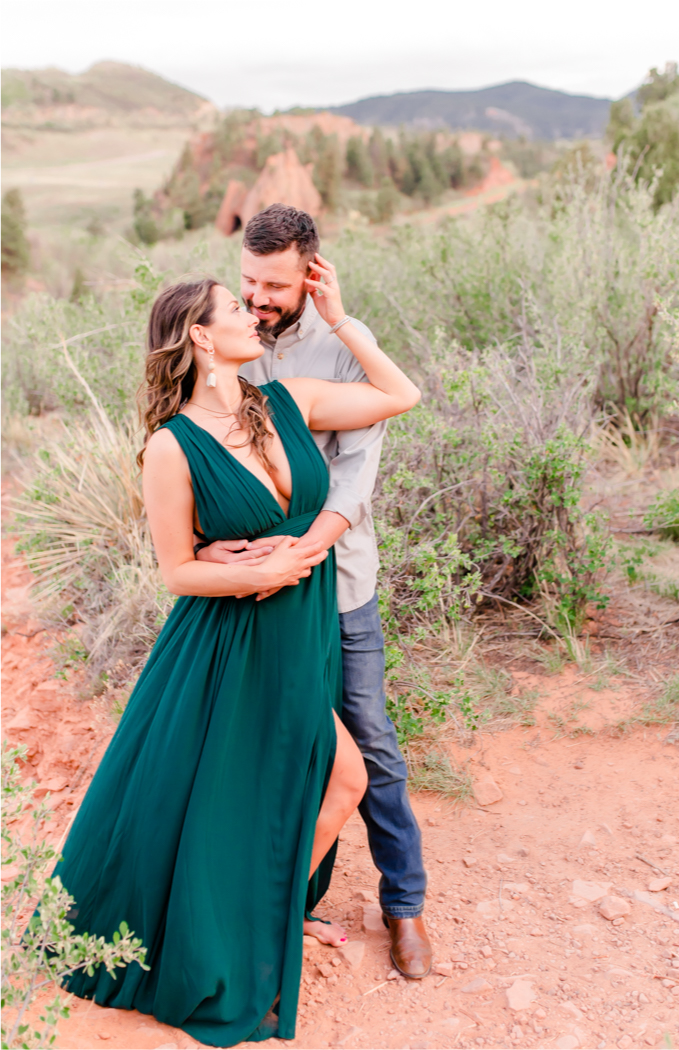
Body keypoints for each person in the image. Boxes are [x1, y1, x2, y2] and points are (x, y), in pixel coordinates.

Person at [54, 263, 421, 1046]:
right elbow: (176, 569)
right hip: (230, 644)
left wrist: (343, 318)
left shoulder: (290, 400)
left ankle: (271, 915)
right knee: (288, 785)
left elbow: (400, 396)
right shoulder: (171, 447)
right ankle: (250, 927)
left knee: (328, 781)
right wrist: (265, 568)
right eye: (235, 309)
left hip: (301, 634)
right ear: (200, 336)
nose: (255, 317)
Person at [197, 205, 433, 972]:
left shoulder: (340, 348)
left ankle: (405, 907)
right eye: (249, 282)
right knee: (265, 745)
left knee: (369, 741)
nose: (260, 298)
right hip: (256, 594)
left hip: (337, 584)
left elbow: (353, 480)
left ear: (311, 273)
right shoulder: (227, 337)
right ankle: (280, 901)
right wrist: (217, 550)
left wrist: (296, 555)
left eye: (275, 284)